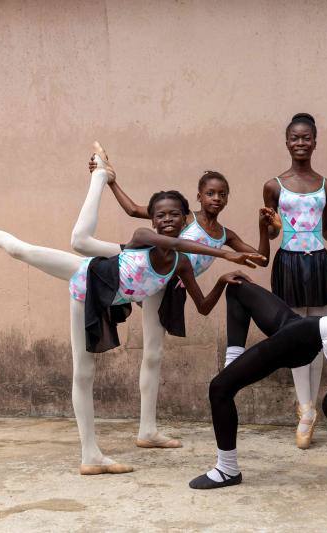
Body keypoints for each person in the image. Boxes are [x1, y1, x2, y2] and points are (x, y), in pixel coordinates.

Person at [0, 189, 262, 475]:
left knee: (129, 360)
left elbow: (202, 307)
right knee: (22, 252)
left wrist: (220, 280)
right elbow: (171, 241)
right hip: (86, 280)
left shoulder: (182, 264)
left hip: (111, 299)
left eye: (175, 214)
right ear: (153, 220)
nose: (167, 220)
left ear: (186, 216)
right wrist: (223, 252)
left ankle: (138, 435)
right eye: (160, 215)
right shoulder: (143, 236)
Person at [75, 143, 274, 448]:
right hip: (145, 265)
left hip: (167, 288)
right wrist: (112, 181)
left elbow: (261, 258)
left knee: (153, 355)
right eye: (210, 193)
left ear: (227, 198)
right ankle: (100, 176)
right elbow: (133, 210)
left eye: (222, 194)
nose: (216, 199)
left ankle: (147, 430)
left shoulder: (226, 235)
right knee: (85, 246)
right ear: (199, 196)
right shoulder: (183, 217)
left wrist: (264, 228)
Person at [189, 280, 327, 511]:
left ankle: (226, 468)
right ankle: (233, 368)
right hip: (298, 338)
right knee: (237, 287)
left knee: (219, 388)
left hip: (302, 337)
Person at [262, 112, 327, 448]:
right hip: (287, 262)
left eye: (306, 138)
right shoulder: (273, 185)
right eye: (294, 138)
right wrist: (269, 224)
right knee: (293, 337)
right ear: (287, 141)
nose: (300, 143)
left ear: (315, 142)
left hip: (316, 262)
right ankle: (305, 409)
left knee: (317, 336)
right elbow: (274, 232)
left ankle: (308, 408)